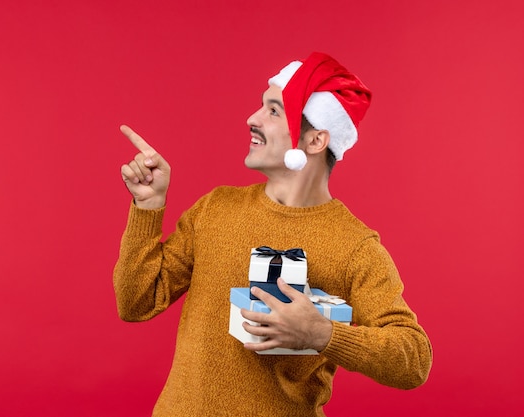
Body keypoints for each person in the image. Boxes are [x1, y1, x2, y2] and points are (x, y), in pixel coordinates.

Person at [113, 52, 432, 416]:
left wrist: (323, 334)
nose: (252, 118)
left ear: (314, 141)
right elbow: (136, 302)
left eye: (274, 110)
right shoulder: (216, 208)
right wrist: (149, 207)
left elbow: (414, 359)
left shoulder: (355, 246)